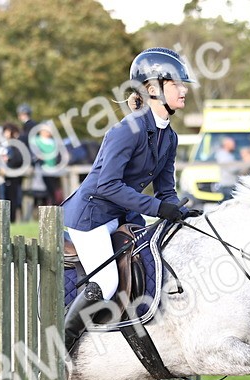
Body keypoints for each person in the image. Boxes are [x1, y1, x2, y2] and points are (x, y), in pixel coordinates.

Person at [61, 47, 198, 354]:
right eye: (176, 83)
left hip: (124, 219)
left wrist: (183, 213)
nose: (184, 89)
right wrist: (158, 209)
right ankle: (58, 351)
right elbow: (108, 185)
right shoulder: (126, 131)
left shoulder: (170, 136)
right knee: (107, 282)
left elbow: (165, 192)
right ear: (152, 89)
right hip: (91, 218)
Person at [0, 123, 26, 222]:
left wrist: (8, 160)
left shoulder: (17, 145)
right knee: (2, 198)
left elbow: (19, 159)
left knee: (13, 199)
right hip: (1, 176)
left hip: (13, 177)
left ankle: (12, 219)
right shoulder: (2, 145)